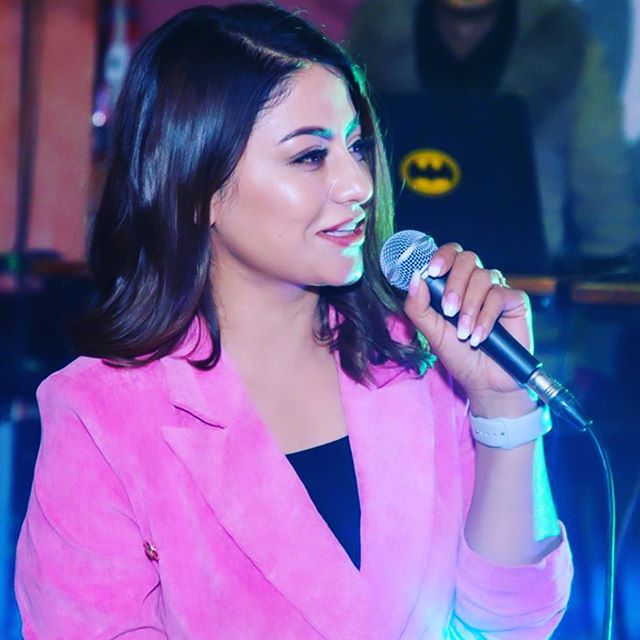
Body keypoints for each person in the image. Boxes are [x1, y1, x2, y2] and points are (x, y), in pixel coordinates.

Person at [14, 4, 572, 638]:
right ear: (196, 187)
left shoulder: (419, 359)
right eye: (310, 156)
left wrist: (504, 409)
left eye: (356, 147)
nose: (358, 184)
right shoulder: (100, 413)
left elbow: (514, 622)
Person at [348, 0, 639, 267]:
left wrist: (613, 279)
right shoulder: (374, 34)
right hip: (398, 269)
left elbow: (602, 177)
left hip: (528, 278)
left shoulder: (565, 38)